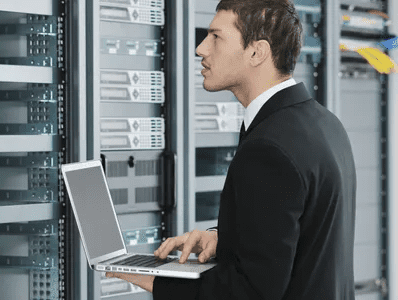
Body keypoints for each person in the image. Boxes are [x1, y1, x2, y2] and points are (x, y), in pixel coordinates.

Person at [106, 0, 357, 299]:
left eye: (216, 37)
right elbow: (299, 243)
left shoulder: (269, 148)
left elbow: (250, 292)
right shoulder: (325, 124)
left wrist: (152, 279)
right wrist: (221, 239)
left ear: (256, 52)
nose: (201, 49)